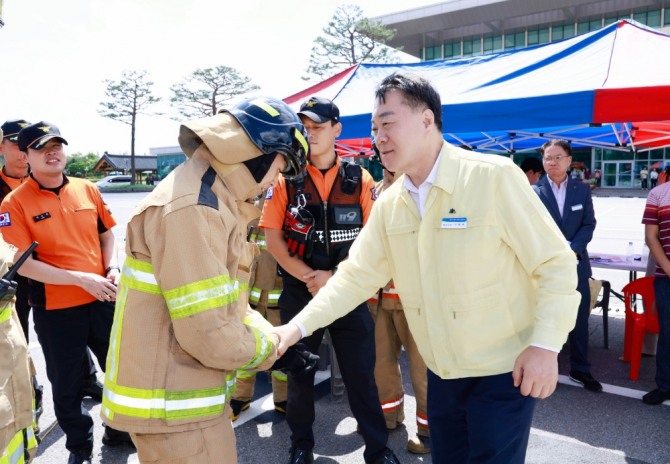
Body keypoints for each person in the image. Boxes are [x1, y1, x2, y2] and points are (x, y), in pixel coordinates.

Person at [272, 73, 580, 464]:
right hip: (442, 376)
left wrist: (545, 345)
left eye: (387, 123)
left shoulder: (491, 177)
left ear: (426, 120)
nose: (378, 138)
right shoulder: (390, 203)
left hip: (502, 372)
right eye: (373, 129)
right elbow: (354, 277)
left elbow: (554, 263)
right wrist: (294, 328)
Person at [100, 97, 313, 464]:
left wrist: (277, 339)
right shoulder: (194, 208)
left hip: (182, 403)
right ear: (257, 152)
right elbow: (209, 332)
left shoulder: (212, 197)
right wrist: (272, 352)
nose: (277, 178)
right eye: (280, 165)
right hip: (174, 410)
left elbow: (226, 302)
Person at [261, 96, 399, 464]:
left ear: (337, 129)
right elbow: (272, 238)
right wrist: (309, 276)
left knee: (361, 377)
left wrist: (334, 278)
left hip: (348, 293)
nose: (311, 134)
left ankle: (378, 449)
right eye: (305, 128)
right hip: (300, 291)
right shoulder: (286, 179)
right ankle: (301, 444)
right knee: (300, 376)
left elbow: (373, 238)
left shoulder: (360, 178)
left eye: (318, 127)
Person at [0, 121, 132, 464]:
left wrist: (112, 268)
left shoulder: (87, 189)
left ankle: (120, 431)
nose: (52, 153)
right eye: (42, 148)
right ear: (26, 155)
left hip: (103, 298)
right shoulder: (14, 203)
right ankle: (80, 447)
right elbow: (22, 264)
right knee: (67, 383)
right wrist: (80, 279)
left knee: (120, 372)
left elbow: (107, 235)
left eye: (57, 145)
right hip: (56, 309)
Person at [367, 161, 430, 455]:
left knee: (423, 368)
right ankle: (389, 417)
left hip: (415, 298)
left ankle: (429, 431)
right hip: (380, 297)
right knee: (382, 364)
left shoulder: (420, 185)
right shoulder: (374, 191)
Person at [536, 139, 601, 393]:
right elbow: (532, 229)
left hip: (576, 266)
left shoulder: (581, 190)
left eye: (557, 157)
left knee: (579, 319)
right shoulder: (533, 191)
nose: (552, 162)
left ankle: (580, 369)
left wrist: (571, 248)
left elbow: (589, 224)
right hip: (545, 267)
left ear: (568, 160)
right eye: (547, 157)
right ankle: (542, 368)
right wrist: (556, 252)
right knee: (543, 318)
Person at [229, 194, 288, 421]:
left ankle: (283, 399)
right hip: (250, 300)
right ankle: (240, 398)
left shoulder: (288, 212)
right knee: (246, 349)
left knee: (281, 349)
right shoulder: (249, 215)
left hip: (278, 300)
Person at [0, 127, 37, 464]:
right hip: (9, 281)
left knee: (31, 346)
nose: (23, 151)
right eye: (16, 143)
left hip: (43, 273)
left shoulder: (45, 179)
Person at [641, 180, 670, 405]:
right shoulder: (658, 194)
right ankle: (665, 385)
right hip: (666, 277)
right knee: (667, 335)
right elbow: (651, 237)